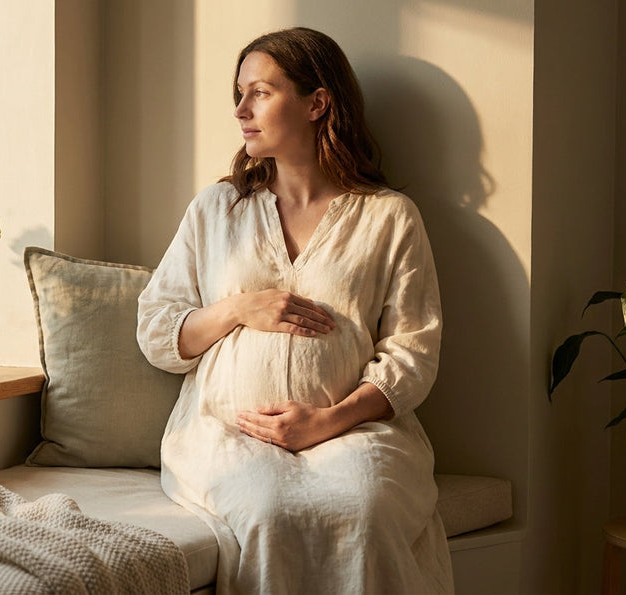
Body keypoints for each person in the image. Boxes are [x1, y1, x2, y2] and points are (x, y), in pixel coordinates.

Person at [136, 27, 453, 593]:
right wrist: (238, 308)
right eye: (239, 93)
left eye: (260, 92)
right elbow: (158, 331)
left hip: (351, 432)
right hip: (229, 431)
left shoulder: (389, 216)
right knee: (269, 512)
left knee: (367, 508)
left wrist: (327, 421)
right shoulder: (219, 208)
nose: (240, 109)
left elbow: (413, 352)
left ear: (317, 103)